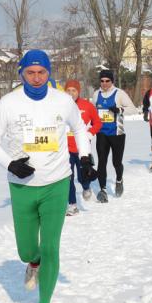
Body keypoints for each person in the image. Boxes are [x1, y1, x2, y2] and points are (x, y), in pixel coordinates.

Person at [0, 49, 96, 303]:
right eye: (31, 72)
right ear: (21, 73)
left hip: (56, 184)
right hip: (22, 186)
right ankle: (31, 263)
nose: (36, 78)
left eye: (42, 72)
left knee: (50, 247)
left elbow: (80, 129)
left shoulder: (62, 101)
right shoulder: (9, 103)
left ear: (49, 73)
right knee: (27, 250)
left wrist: (84, 156)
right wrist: (11, 164)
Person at [92, 69, 136, 202]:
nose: (104, 83)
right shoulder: (96, 94)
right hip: (102, 133)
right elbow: (93, 111)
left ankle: (119, 180)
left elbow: (133, 109)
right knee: (101, 162)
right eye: (102, 81)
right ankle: (103, 190)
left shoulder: (119, 93)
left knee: (116, 162)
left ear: (112, 81)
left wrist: (120, 110)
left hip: (117, 133)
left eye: (107, 81)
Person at [63, 79, 102, 215]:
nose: (71, 93)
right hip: (65, 150)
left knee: (82, 177)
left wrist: (89, 134)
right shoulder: (60, 107)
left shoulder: (87, 106)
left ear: (78, 92)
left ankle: (86, 187)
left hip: (82, 150)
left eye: (74, 90)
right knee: (68, 178)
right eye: (68, 90)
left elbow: (98, 123)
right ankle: (72, 205)